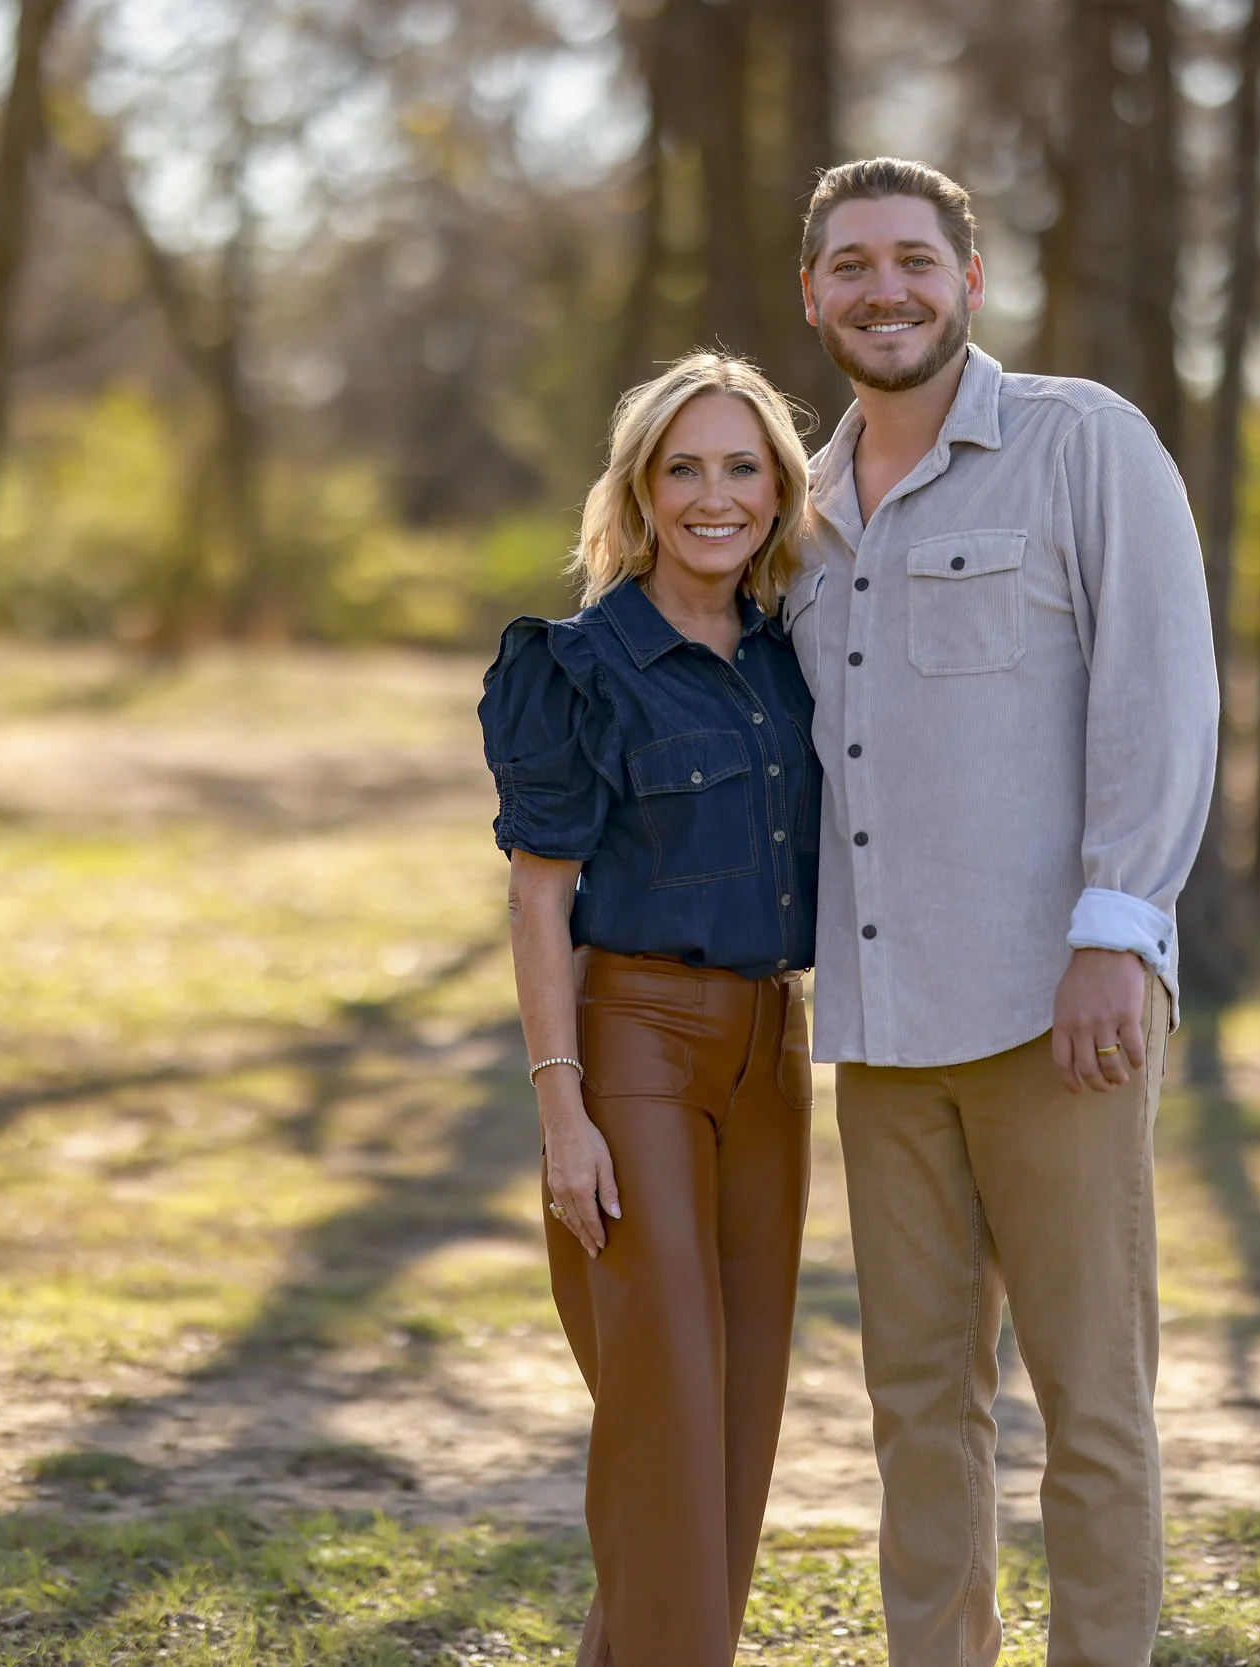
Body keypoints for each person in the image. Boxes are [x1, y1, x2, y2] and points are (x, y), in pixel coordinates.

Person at [786, 157, 1220, 1666]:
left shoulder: (1080, 443)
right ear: (813, 295)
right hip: (881, 1027)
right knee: (916, 1404)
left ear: (969, 281)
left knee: (1093, 1396)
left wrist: (1121, 929)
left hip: (1060, 1010)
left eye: (913, 259)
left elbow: (1160, 693)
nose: (884, 288)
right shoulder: (803, 510)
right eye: (852, 265)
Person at [480, 351, 823, 1667]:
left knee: (731, 1435)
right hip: (633, 1052)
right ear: (640, 488)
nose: (714, 495)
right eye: (685, 467)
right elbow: (537, 898)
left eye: (742, 466)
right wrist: (560, 1108)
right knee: (668, 1416)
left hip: (771, 1055)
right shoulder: (579, 666)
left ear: (779, 489)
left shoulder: (796, 659)